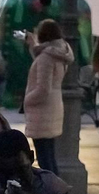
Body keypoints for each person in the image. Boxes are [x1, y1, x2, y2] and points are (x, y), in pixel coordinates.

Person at [22, 19, 73, 175]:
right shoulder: (58, 53)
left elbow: (43, 88)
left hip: (42, 112)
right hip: (53, 107)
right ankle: (55, 186)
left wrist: (27, 100)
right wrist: (32, 44)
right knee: (49, 154)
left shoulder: (46, 57)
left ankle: (51, 187)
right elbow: (42, 62)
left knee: (45, 158)